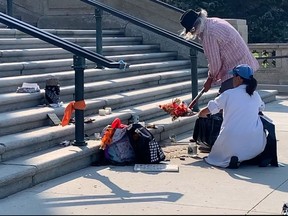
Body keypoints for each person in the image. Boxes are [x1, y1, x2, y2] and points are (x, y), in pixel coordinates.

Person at [197, 64, 266, 169]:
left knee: (217, 154)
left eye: (233, 76)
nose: (232, 79)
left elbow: (208, 111)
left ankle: (233, 157)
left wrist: (200, 113)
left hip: (231, 145)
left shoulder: (229, 94)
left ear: (238, 78)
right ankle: (247, 156)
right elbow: (261, 108)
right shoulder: (255, 95)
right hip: (256, 145)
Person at [179, 8, 259, 94]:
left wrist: (209, 80)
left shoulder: (208, 34)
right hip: (245, 65)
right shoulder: (213, 21)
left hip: (235, 70)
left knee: (222, 102)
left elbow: (215, 63)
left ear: (194, 28)